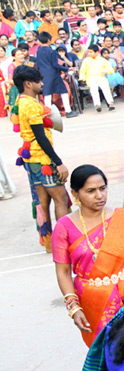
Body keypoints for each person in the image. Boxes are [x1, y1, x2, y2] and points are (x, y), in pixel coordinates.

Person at [53, 165, 124, 347]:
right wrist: (74, 307)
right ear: (75, 194)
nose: (99, 195)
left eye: (102, 188)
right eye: (91, 191)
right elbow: (63, 271)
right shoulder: (64, 227)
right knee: (104, 352)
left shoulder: (122, 219)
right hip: (91, 300)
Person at [12, 65, 71, 250]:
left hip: (31, 160)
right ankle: (64, 241)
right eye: (38, 81)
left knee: (41, 201)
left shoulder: (20, 101)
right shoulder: (31, 105)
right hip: (43, 159)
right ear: (29, 84)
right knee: (61, 198)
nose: (42, 84)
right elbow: (41, 137)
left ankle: (47, 242)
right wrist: (58, 162)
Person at [78, 45, 116, 112]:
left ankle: (110, 103)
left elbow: (111, 69)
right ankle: (97, 105)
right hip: (91, 78)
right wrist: (82, 78)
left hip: (100, 77)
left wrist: (106, 71)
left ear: (96, 52)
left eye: (91, 52)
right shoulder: (86, 61)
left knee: (105, 87)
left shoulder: (102, 60)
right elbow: (82, 71)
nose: (89, 54)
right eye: (88, 52)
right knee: (93, 88)